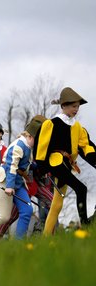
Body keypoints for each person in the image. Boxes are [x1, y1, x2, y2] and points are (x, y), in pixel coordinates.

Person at [0, 116, 45, 243]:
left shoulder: (28, 147)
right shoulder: (18, 145)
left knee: (27, 210)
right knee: (4, 216)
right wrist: (9, 186)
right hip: (5, 181)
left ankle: (18, 243)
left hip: (18, 183)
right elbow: (12, 167)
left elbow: (27, 166)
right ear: (30, 137)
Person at [35, 87, 96, 232]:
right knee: (81, 188)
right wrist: (42, 169)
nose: (76, 109)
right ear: (64, 106)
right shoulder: (51, 124)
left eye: (78, 106)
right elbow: (41, 148)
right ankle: (85, 226)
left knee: (57, 203)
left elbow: (86, 146)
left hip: (66, 165)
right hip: (55, 162)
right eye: (74, 106)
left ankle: (46, 236)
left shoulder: (78, 127)